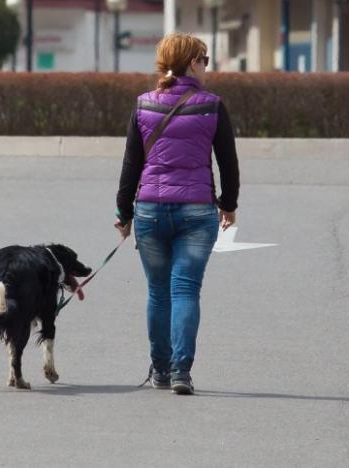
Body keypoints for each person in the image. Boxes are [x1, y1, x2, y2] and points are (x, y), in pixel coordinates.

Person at [114, 33, 240, 396]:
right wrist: (227, 204)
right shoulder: (212, 106)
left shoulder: (144, 105)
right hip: (197, 210)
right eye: (204, 59)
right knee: (185, 290)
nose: (207, 66)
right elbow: (228, 163)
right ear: (191, 62)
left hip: (150, 210)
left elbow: (131, 165)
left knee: (158, 292)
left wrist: (124, 214)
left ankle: (161, 369)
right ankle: (181, 372)